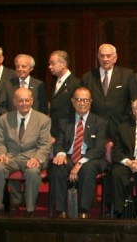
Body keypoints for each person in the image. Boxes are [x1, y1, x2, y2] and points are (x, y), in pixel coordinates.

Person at [0, 87, 52, 217]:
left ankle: (30, 209)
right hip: (10, 156)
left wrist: (37, 159)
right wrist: (1, 154)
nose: (24, 103)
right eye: (20, 101)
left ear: (32, 101)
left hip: (32, 156)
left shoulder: (43, 120)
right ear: (14, 102)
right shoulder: (4, 119)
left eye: (26, 100)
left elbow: (44, 145)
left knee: (33, 171)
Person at [49, 86, 107, 219]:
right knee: (58, 166)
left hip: (90, 158)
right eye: (79, 100)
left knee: (88, 169)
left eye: (86, 100)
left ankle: (84, 210)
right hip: (69, 157)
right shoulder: (64, 122)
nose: (82, 103)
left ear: (91, 102)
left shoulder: (100, 122)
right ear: (72, 101)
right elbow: (58, 143)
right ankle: (61, 210)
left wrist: (80, 162)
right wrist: (60, 154)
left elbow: (99, 149)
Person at [81, 43, 135, 138]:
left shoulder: (127, 75)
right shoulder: (88, 77)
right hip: (95, 127)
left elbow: (133, 101)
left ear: (115, 58)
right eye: (102, 56)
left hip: (120, 127)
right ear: (98, 57)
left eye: (108, 56)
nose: (105, 59)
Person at [48, 50, 82, 139]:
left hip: (67, 131)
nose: (50, 67)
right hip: (55, 130)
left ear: (63, 64)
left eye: (52, 63)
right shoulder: (55, 82)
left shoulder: (75, 83)